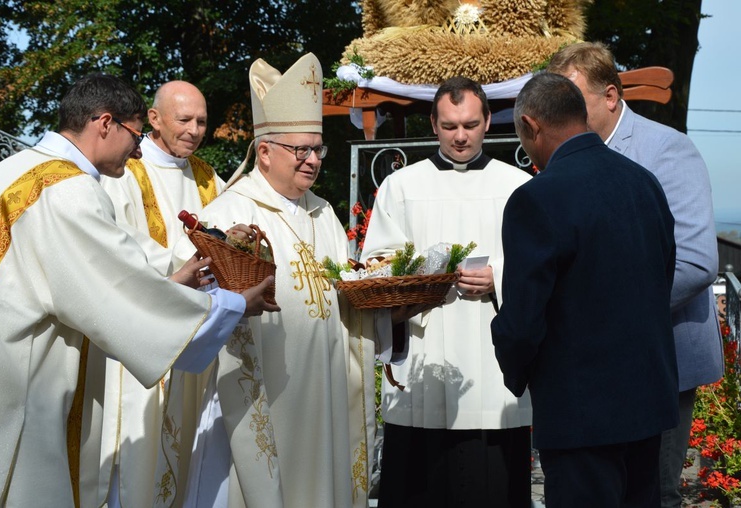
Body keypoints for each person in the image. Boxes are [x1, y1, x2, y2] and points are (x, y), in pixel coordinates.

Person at [0, 73, 279, 508]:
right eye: (135, 134)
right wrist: (231, 306)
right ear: (104, 123)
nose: (138, 148)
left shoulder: (15, 169)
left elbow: (101, 270)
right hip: (19, 383)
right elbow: (116, 291)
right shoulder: (66, 190)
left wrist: (172, 281)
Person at [176, 53, 405, 508]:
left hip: (326, 394)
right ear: (264, 152)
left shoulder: (325, 213)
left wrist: (388, 311)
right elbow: (199, 312)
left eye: (318, 149)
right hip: (260, 394)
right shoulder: (229, 214)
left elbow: (345, 299)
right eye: (301, 150)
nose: (313, 160)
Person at [546, 42, 724, 508]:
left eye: (574, 100)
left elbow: (697, 262)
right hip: (593, 366)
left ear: (610, 96)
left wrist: (599, 315)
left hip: (662, 360)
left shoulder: (667, 150)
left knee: (654, 495)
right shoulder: (567, 154)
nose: (565, 113)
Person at [491, 72, 679, 506]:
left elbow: (524, 319)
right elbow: (661, 277)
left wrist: (512, 365)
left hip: (581, 413)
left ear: (533, 127)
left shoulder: (537, 198)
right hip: (647, 402)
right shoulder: (644, 183)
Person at [359, 76, 533, 507]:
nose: (460, 136)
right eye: (450, 125)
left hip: (491, 363)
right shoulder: (401, 186)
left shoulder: (516, 185)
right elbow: (377, 261)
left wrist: (500, 277)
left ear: (489, 122)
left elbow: (538, 264)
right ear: (433, 124)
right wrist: (418, 277)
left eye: (471, 125)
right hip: (424, 349)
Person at [84, 80, 225, 508]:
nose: (195, 130)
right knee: (141, 460)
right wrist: (182, 266)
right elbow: (120, 244)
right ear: (155, 119)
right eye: (184, 120)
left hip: (198, 330)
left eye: (201, 121)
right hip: (146, 333)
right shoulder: (126, 169)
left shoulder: (207, 177)